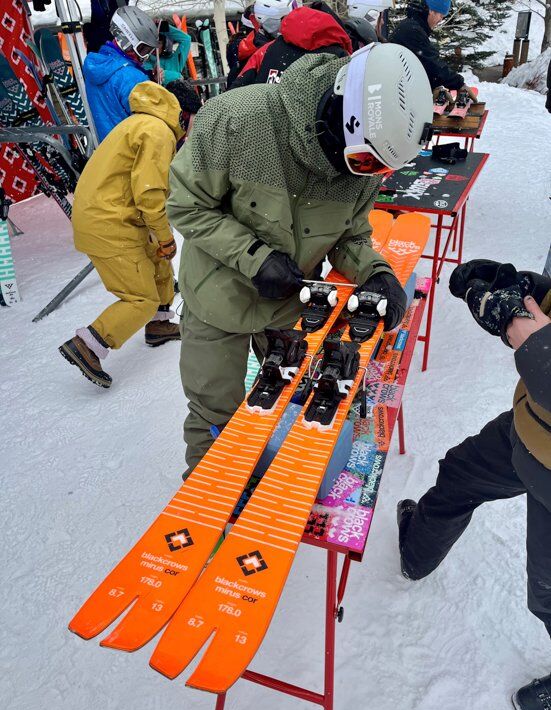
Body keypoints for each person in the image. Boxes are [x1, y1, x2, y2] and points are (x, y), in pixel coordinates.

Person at [166, 43, 433, 474]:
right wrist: (255, 258)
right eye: (363, 159)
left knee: (284, 392)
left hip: (288, 303)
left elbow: (350, 235)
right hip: (215, 298)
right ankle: (210, 496)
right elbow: (186, 204)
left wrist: (375, 271)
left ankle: (264, 467)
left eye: (374, 168)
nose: (360, 175)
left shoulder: (360, 168)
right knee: (214, 407)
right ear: (338, 114)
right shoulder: (238, 120)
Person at [396, 259, 551, 710]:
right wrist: (529, 292)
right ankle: (416, 553)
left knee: (546, 593)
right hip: (529, 431)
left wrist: (536, 343)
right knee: (460, 473)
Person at [59, 80, 201, 389]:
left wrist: (160, 242)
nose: (190, 131)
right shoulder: (158, 132)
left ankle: (159, 325)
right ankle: (90, 343)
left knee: (159, 261)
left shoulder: (143, 122)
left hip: (113, 215)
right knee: (140, 297)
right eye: (192, 121)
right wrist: (164, 235)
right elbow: (150, 193)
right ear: (183, 115)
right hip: (109, 223)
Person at [230, 4, 352, 88]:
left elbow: (237, 88)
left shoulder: (267, 50)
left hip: (265, 122)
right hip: (320, 123)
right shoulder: (340, 56)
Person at [83, 6, 158, 141]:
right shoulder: (131, 77)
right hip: (133, 153)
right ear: (129, 43)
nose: (146, 56)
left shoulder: (98, 66)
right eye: (143, 49)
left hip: (108, 150)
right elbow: (154, 125)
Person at [389, 0, 477, 100]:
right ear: (431, 11)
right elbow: (433, 64)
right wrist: (459, 84)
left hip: (400, 90)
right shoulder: (412, 30)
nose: (440, 20)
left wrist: (435, 85)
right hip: (396, 96)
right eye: (441, 15)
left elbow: (421, 66)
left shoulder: (412, 26)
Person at [143, 19, 192, 86]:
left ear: (165, 45)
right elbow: (147, 77)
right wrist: (176, 76)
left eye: (159, 43)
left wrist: (164, 28)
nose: (155, 46)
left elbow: (186, 40)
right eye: (153, 43)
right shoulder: (146, 61)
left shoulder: (174, 60)